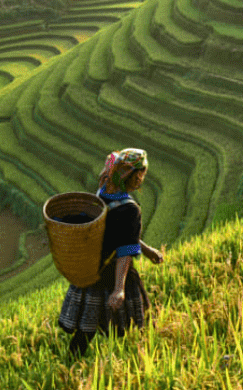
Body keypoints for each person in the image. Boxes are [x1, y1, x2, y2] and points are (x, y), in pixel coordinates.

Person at [59, 148, 165, 357]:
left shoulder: (102, 195)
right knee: (137, 319)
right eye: (141, 174)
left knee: (86, 326)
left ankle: (73, 359)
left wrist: (147, 249)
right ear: (131, 174)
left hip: (92, 268)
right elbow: (124, 249)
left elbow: (121, 234)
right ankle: (140, 357)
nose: (141, 179)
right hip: (114, 272)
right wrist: (119, 288)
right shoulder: (130, 209)